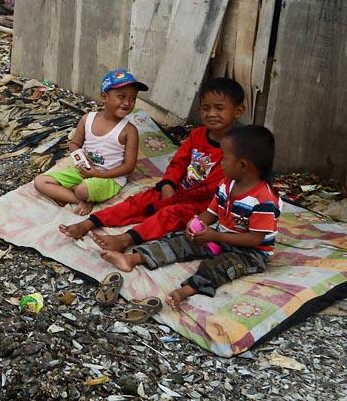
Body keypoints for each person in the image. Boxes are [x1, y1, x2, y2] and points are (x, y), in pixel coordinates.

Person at [100, 125, 279, 309]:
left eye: (225, 157)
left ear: (242, 165)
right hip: (221, 240)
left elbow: (255, 239)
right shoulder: (227, 184)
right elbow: (211, 211)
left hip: (250, 253)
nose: (221, 162)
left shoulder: (264, 199)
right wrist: (197, 224)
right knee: (179, 241)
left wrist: (215, 236)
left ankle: (185, 291)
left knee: (220, 267)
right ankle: (133, 259)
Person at [59, 78, 246, 250]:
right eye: (206, 108)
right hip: (178, 189)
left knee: (169, 215)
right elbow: (178, 162)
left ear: (238, 111)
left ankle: (126, 239)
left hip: (203, 202)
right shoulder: (197, 135)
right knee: (138, 201)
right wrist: (168, 184)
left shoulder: (238, 147)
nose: (211, 114)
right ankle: (89, 223)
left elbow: (218, 186)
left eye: (219, 108)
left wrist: (176, 198)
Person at [34, 69, 145, 215]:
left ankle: (76, 195)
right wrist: (82, 160)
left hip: (110, 178)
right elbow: (74, 144)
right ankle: (80, 200)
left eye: (133, 98)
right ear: (104, 96)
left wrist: (100, 174)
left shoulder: (129, 130)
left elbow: (129, 167)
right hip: (84, 171)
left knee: (82, 189)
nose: (127, 103)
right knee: (40, 182)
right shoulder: (87, 119)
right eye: (122, 96)